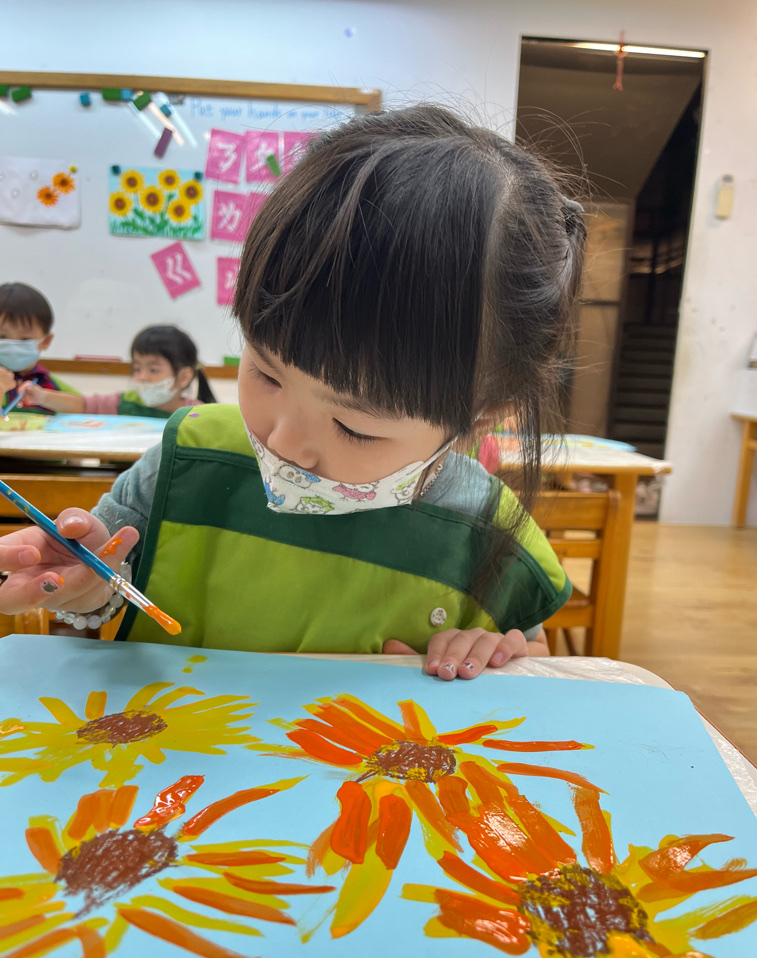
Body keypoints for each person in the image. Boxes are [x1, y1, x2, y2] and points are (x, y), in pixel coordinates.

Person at [0, 105, 585, 680]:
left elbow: (531, 654)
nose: (281, 441)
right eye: (265, 373)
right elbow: (102, 586)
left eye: (354, 426)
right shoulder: (188, 462)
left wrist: (493, 653)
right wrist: (84, 588)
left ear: (479, 417)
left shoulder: (486, 530)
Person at [22, 325, 216, 419]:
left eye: (153, 369)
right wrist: (43, 397)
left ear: (183, 377)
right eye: (137, 368)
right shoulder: (124, 403)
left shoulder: (196, 415)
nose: (141, 377)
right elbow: (83, 405)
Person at [0, 282, 79, 414]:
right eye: (2, 336)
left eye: (25, 339)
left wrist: (45, 397)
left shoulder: (44, 379)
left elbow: (81, 405)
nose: (13, 344)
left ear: (45, 341)